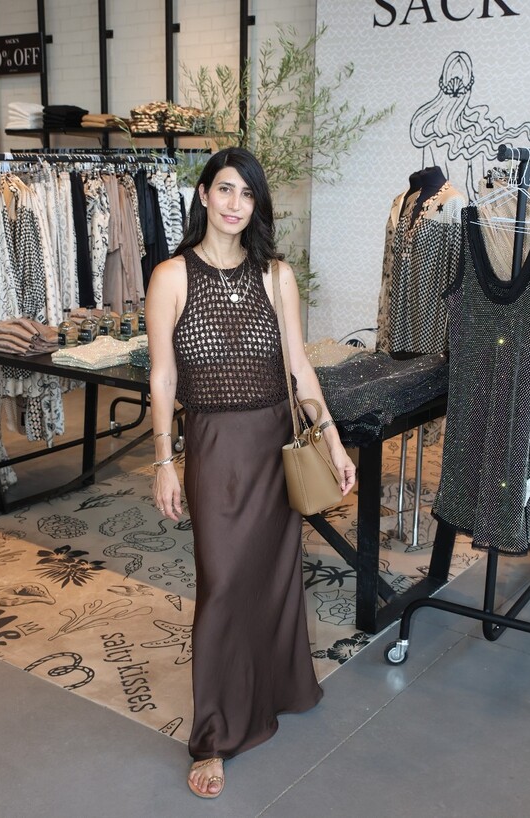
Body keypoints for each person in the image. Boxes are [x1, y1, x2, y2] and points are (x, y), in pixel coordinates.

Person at [145, 146, 356, 799]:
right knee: (223, 583)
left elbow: (299, 368)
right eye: (225, 189)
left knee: (274, 573)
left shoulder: (276, 275)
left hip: (273, 445)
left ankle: (283, 686)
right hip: (214, 448)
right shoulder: (171, 276)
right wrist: (164, 460)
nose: (236, 204)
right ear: (204, 194)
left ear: (256, 204)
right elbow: (163, 378)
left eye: (247, 194)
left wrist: (333, 441)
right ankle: (213, 736)